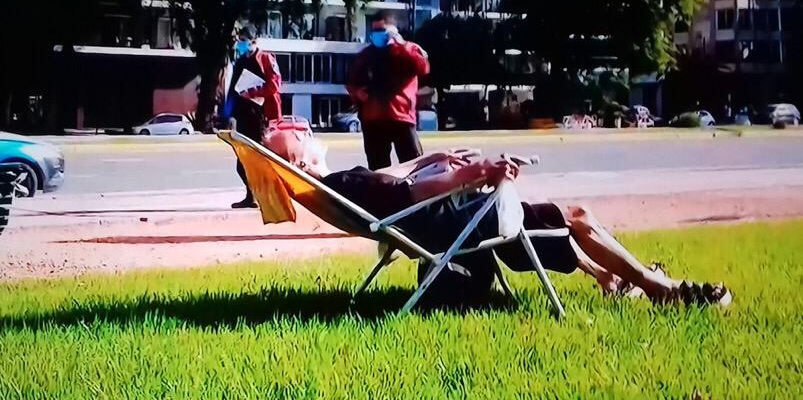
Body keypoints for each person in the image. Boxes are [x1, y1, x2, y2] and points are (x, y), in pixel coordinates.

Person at [264, 131, 732, 307]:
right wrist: (474, 173)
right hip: (461, 222)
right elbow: (409, 192)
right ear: (300, 162)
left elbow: (392, 181)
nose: (300, 128)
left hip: (449, 220)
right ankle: (660, 290)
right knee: (576, 215)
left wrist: (439, 157)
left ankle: (613, 278)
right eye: (293, 135)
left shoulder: (342, 182)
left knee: (547, 224)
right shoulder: (345, 184)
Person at [347, 13, 430, 170]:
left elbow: (423, 67)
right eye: (375, 31)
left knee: (413, 165)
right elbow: (351, 81)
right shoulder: (365, 56)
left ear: (393, 31)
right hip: (373, 120)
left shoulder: (408, 50)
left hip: (401, 118)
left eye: (383, 31)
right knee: (378, 168)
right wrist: (357, 93)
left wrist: (401, 43)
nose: (378, 35)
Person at [228, 26, 282, 208]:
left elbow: (274, 85)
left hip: (261, 116)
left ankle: (270, 197)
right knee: (242, 161)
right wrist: (228, 114)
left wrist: (252, 92)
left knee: (260, 158)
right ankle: (250, 196)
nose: (240, 44)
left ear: (254, 41)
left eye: (244, 40)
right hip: (243, 115)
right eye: (239, 40)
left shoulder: (266, 58)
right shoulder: (240, 61)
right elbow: (233, 90)